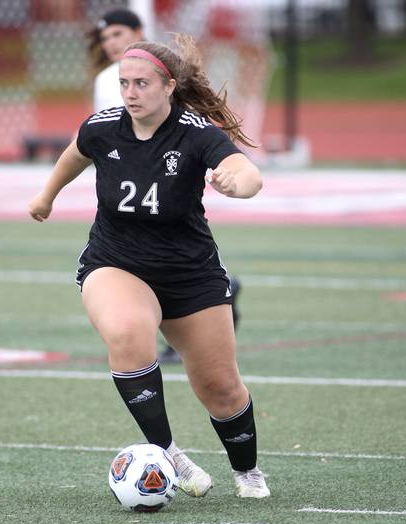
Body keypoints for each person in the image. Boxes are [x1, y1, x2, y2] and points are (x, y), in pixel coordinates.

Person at [28, 34, 270, 498]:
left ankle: (248, 473)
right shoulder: (103, 127)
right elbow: (75, 153)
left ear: (169, 86)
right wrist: (46, 196)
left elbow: (248, 173)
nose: (131, 93)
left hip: (190, 272)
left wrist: (235, 185)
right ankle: (168, 454)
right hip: (115, 262)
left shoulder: (197, 132)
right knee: (126, 332)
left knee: (220, 386)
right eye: (124, 84)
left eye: (141, 84)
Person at [88, 7, 244, 365]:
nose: (110, 44)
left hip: (166, 183)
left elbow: (182, 131)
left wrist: (231, 177)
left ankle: (201, 304)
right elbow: (102, 134)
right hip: (130, 186)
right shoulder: (105, 82)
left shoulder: (160, 76)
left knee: (176, 247)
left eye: (117, 35)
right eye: (105, 38)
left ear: (139, 32)